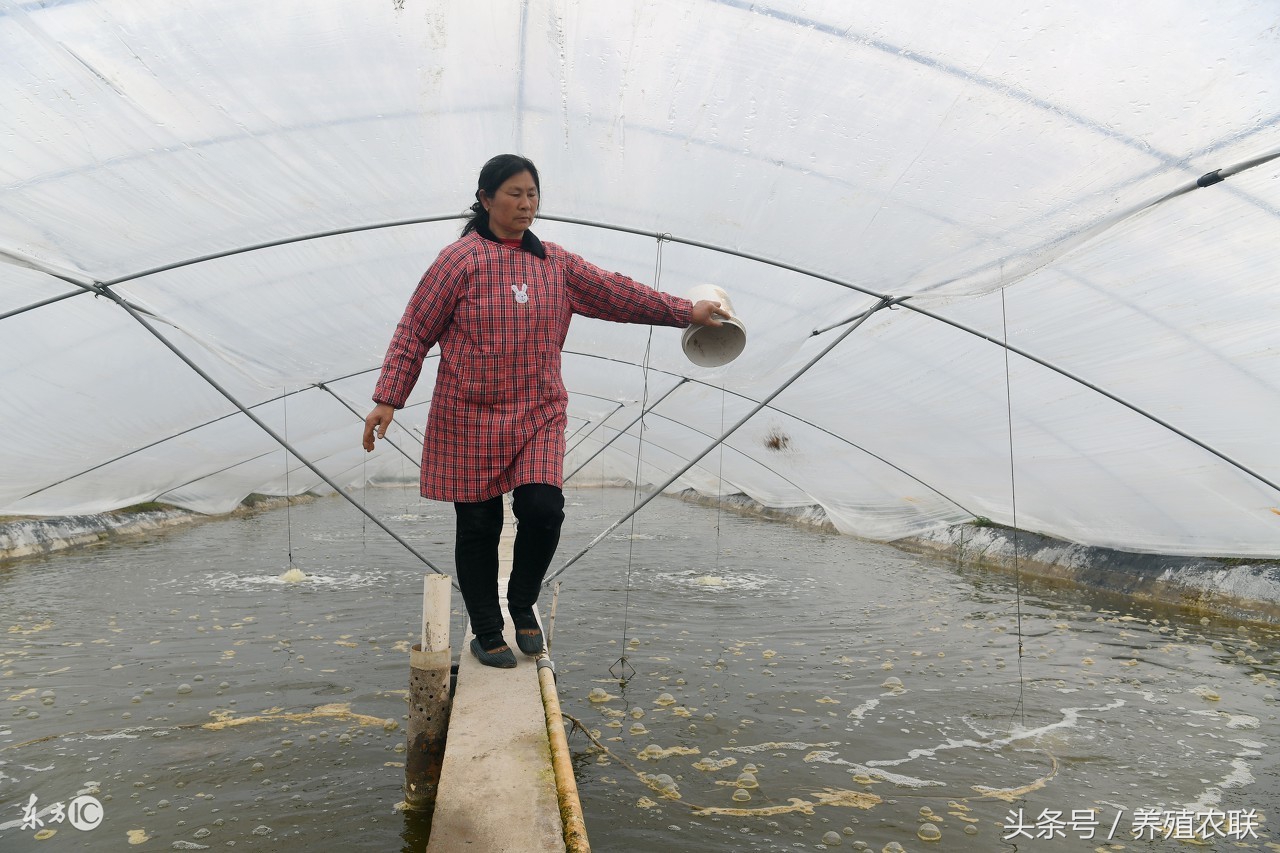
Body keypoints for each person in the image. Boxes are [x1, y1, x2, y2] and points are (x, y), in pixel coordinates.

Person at [363, 154, 729, 668]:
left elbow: (618, 294)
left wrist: (684, 311)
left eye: (532, 194)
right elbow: (415, 330)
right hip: (469, 415)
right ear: (486, 199)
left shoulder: (555, 263)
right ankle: (488, 628)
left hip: (537, 412)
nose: (526, 203)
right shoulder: (458, 261)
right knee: (478, 526)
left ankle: (521, 600)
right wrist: (388, 398)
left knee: (543, 510)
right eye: (514, 193)